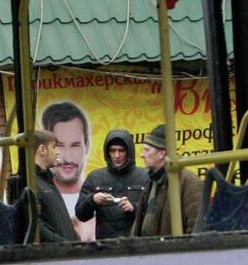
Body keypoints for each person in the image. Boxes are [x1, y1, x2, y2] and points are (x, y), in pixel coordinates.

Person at [76, 127, 150, 240]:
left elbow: (156, 213)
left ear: (129, 152)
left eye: (121, 151)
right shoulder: (95, 177)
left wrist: (134, 208)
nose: (117, 156)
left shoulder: (146, 177)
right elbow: (81, 215)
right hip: (106, 245)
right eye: (112, 151)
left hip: (138, 243)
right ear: (107, 152)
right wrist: (92, 200)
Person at [40, 100, 97, 241]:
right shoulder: (38, 187)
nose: (67, 157)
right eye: (58, 145)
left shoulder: (97, 192)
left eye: (75, 145)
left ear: (87, 145)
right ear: (44, 148)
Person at [133, 123, 202, 237]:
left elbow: (196, 227)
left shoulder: (189, 182)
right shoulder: (152, 181)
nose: (142, 155)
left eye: (146, 150)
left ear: (162, 153)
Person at [10, 129, 76, 243]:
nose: (57, 152)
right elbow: (33, 223)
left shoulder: (46, 179)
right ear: (42, 149)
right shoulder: (27, 181)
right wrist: (62, 244)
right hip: (54, 252)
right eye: (54, 147)